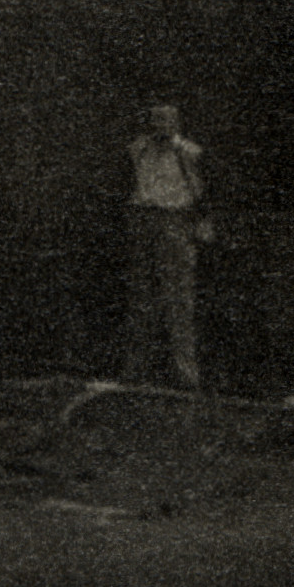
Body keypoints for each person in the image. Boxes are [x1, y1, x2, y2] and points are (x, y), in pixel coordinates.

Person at [120, 99, 209, 390]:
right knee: (141, 296)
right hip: (144, 219)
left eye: (166, 120)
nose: (160, 125)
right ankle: (136, 371)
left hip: (175, 220)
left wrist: (199, 221)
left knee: (178, 298)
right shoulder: (138, 149)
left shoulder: (189, 153)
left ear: (176, 123)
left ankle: (186, 376)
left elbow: (200, 191)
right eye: (155, 119)